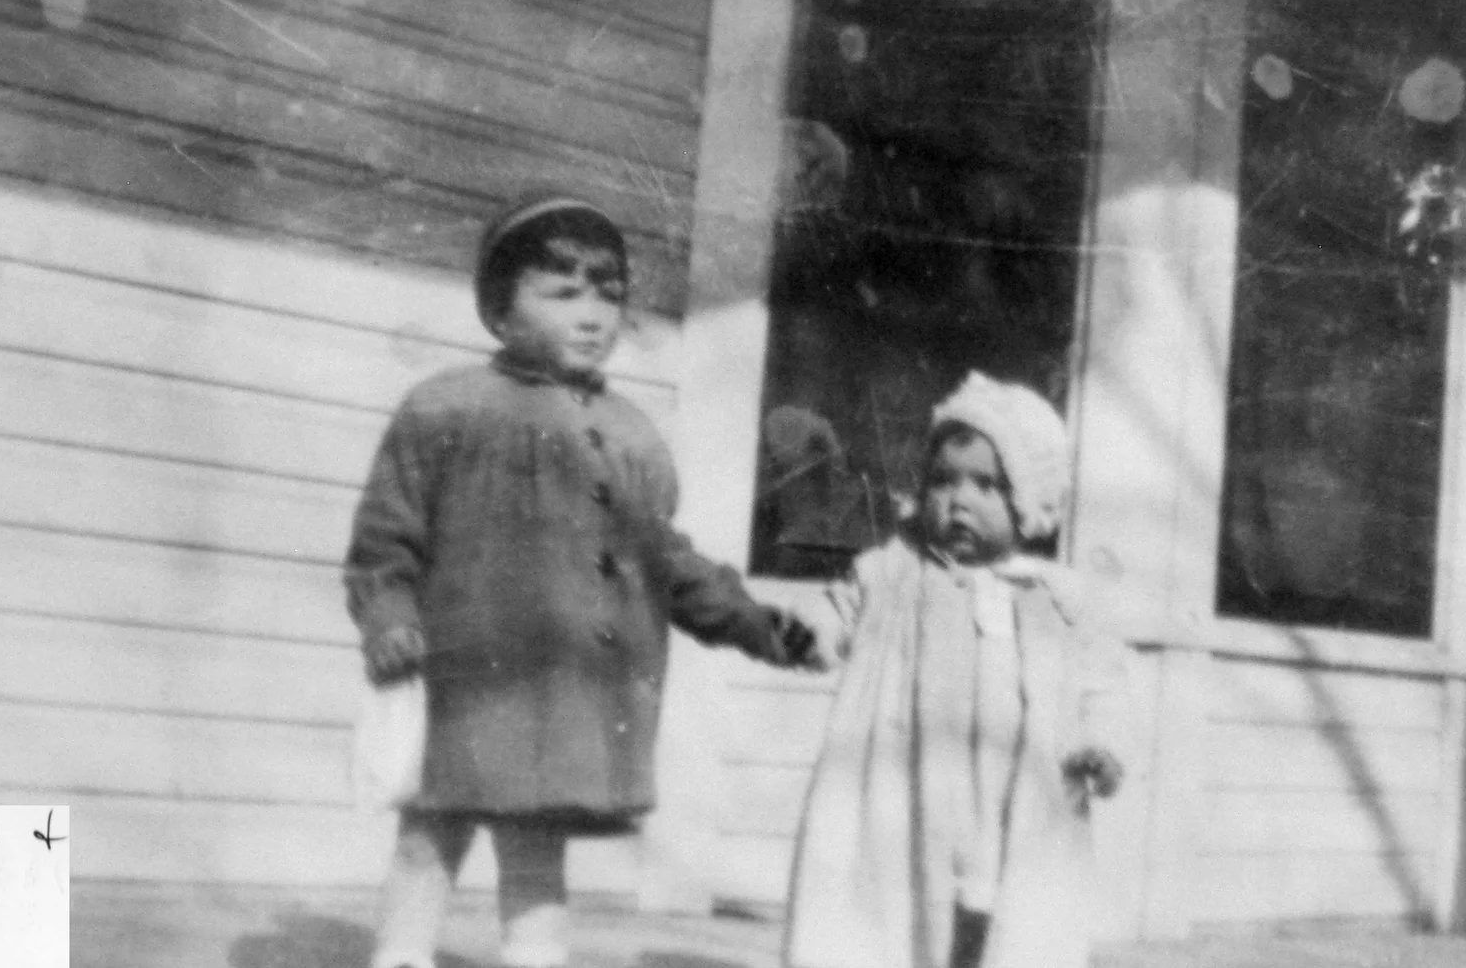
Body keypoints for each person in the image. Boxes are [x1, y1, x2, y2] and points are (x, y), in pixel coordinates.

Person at [345, 185, 823, 968]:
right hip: (461, 678)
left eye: (609, 294)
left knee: (536, 845)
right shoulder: (443, 410)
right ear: (501, 310)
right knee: (431, 834)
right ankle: (401, 954)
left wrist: (756, 623)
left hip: (563, 694)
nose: (593, 315)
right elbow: (384, 545)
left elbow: (664, 559)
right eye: (562, 293)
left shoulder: (632, 436)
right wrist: (388, 619)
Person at [782, 372, 1124, 968]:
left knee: (995, 916)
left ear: (1026, 500)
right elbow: (841, 607)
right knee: (907, 911)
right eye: (942, 481)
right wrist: (810, 632)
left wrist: (1102, 743)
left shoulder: (1057, 597)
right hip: (911, 788)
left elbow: (1103, 679)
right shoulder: (894, 571)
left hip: (1012, 797)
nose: (958, 500)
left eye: (985, 485)